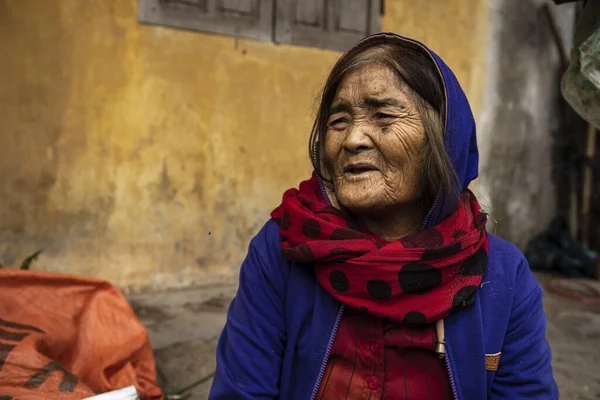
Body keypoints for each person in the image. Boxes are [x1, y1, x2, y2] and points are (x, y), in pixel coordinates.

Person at [208, 33, 558, 399]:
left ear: (443, 138)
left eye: (383, 116)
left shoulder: (502, 276)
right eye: (338, 120)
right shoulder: (286, 247)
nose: (353, 138)